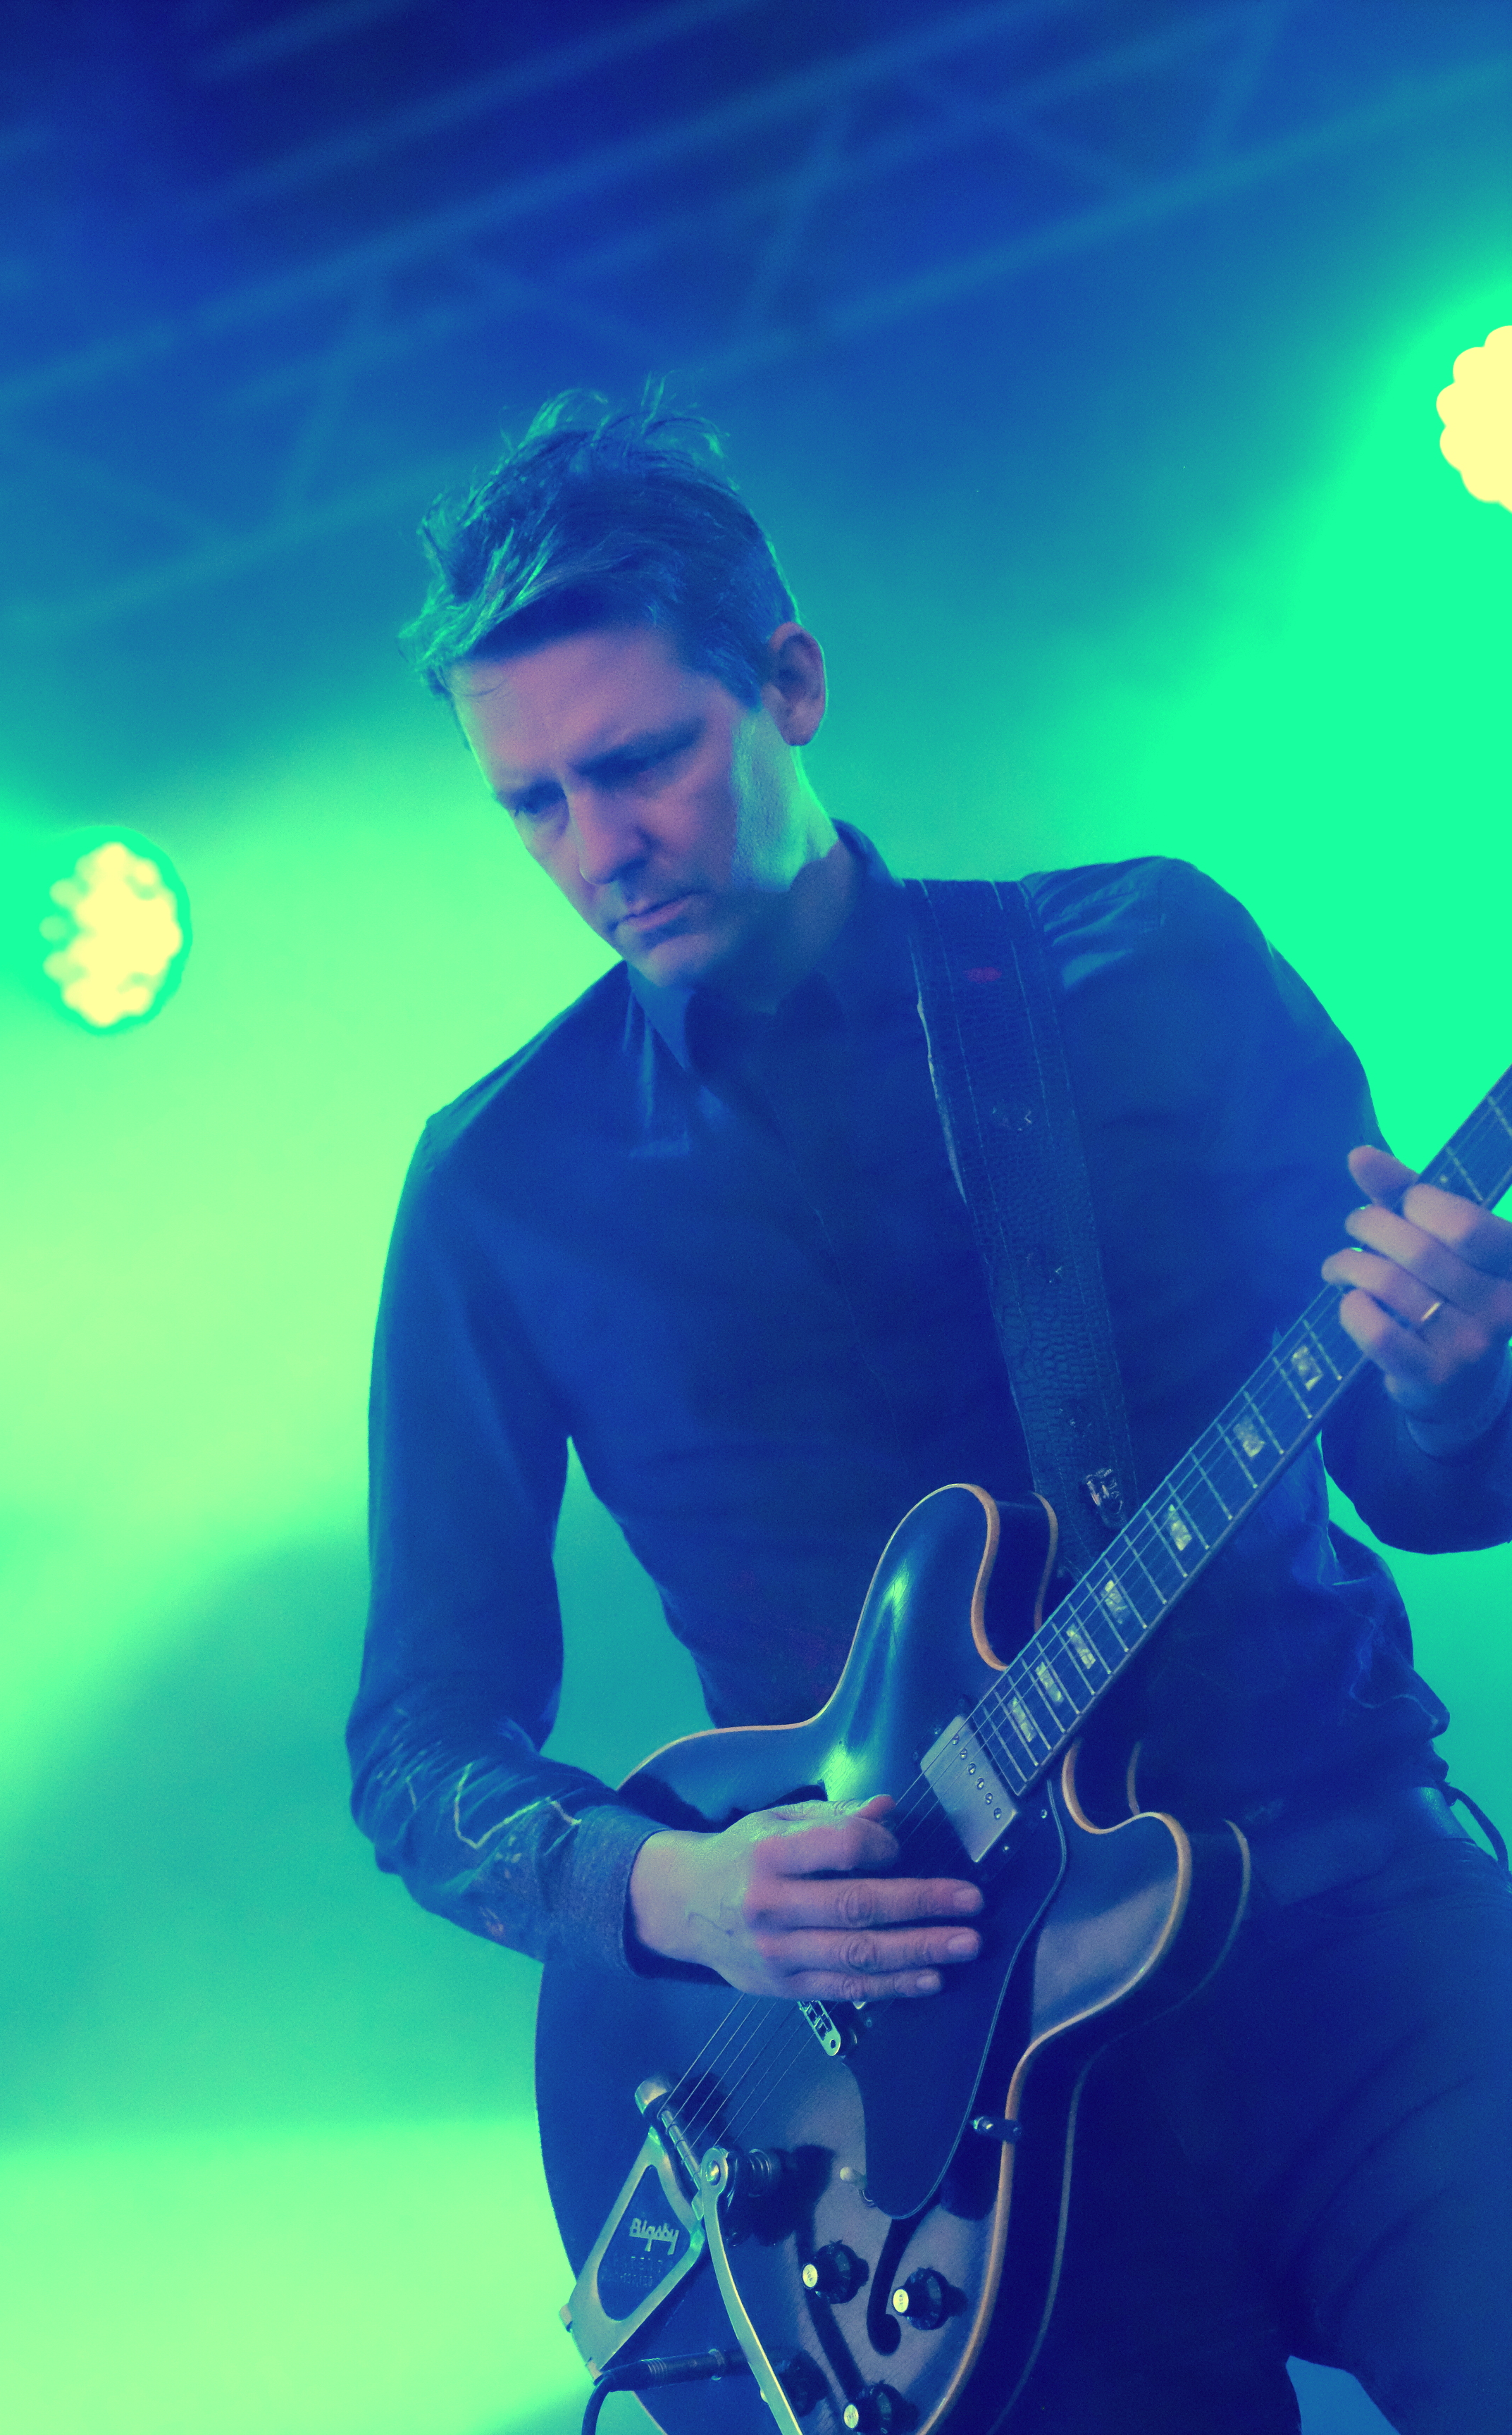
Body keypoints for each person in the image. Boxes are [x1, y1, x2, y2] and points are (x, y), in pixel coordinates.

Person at [347, 396, 1512, 2431]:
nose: (599, 850)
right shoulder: (499, 1187)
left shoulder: (1147, 961)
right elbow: (419, 1745)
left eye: (641, 762)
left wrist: (1458, 1376)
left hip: (1344, 1925)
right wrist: (677, 1895)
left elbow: (1410, 1477)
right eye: (533, 803)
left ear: (789, 684)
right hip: (910, 2104)